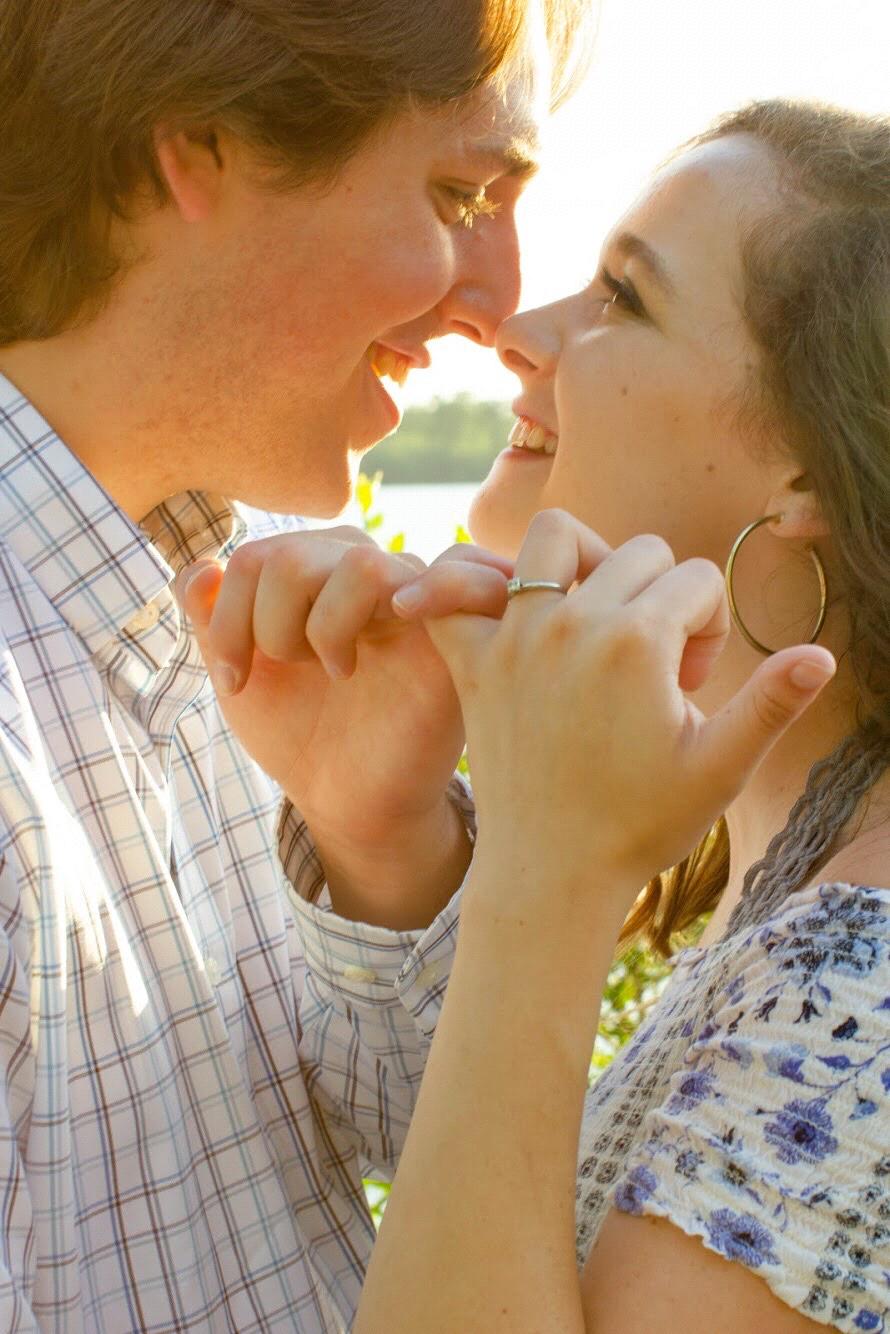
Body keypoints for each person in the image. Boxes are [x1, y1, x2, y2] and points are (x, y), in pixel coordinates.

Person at [0, 1, 591, 1328]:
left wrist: (381, 846)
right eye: (457, 192)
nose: (499, 301)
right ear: (199, 144)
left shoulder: (273, 596)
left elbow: (416, 1150)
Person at [266, 100, 887, 1331]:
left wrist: (548, 872)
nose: (517, 330)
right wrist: (380, 832)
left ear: (805, 473)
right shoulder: (803, 860)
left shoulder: (857, 978)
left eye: (622, 298)